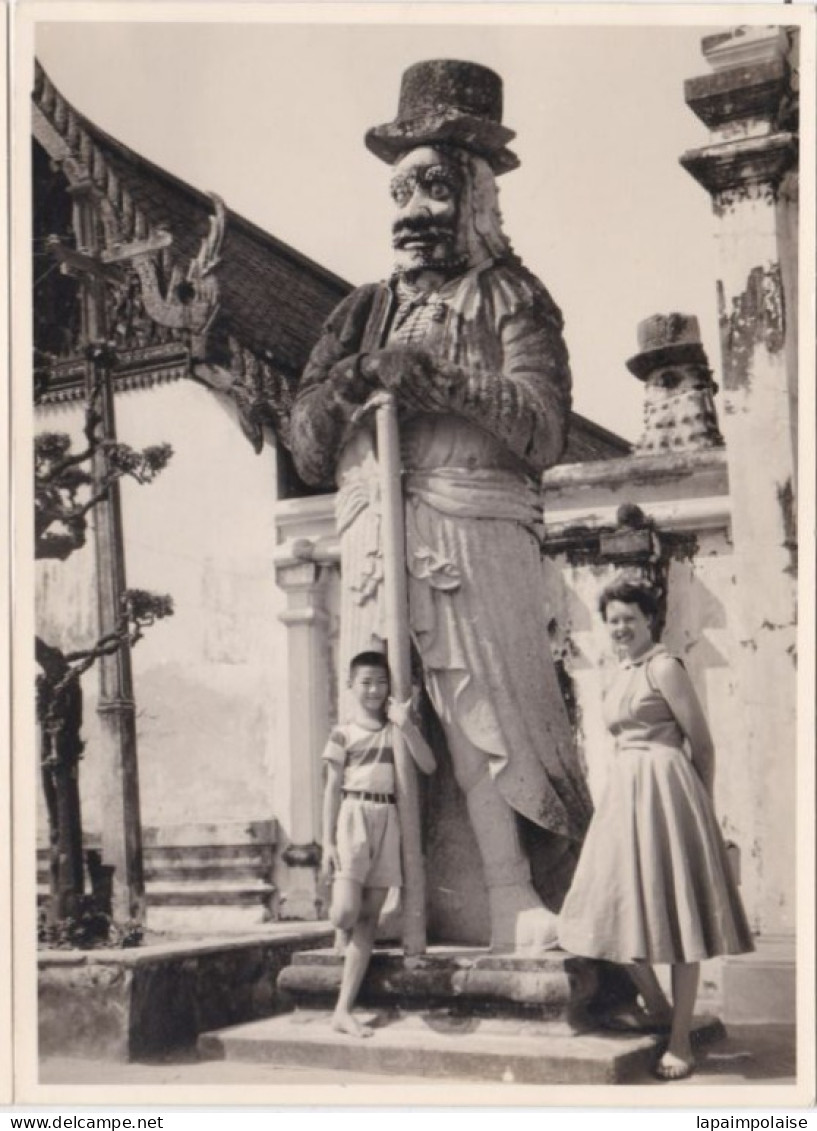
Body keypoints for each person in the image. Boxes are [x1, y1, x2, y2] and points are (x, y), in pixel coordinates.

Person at [291, 58, 592, 953]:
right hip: (375, 529)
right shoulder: (361, 311)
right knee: (379, 721)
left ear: (474, 195)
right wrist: (355, 382)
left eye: (431, 187)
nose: (410, 210)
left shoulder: (513, 298)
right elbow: (306, 441)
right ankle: (374, 892)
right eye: (399, 189)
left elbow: (541, 430)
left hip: (469, 531)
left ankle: (511, 892)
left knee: (480, 723)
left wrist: (444, 382)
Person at [558, 576, 754, 1080]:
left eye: (630, 618)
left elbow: (703, 745)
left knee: (680, 917)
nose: (621, 627)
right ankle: (659, 1006)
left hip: (669, 792)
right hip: (625, 798)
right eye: (613, 620)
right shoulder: (616, 673)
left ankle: (681, 1039)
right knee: (606, 910)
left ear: (649, 620)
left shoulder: (664, 666)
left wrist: (700, 814)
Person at [321, 650, 436, 1037]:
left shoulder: (395, 730)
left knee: (368, 920)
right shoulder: (343, 732)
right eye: (366, 682)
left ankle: (343, 1009)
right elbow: (331, 789)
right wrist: (327, 843)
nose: (373, 689)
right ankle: (340, 925)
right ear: (351, 686)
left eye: (380, 682)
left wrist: (406, 725)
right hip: (353, 815)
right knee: (343, 914)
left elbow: (429, 764)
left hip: (388, 818)